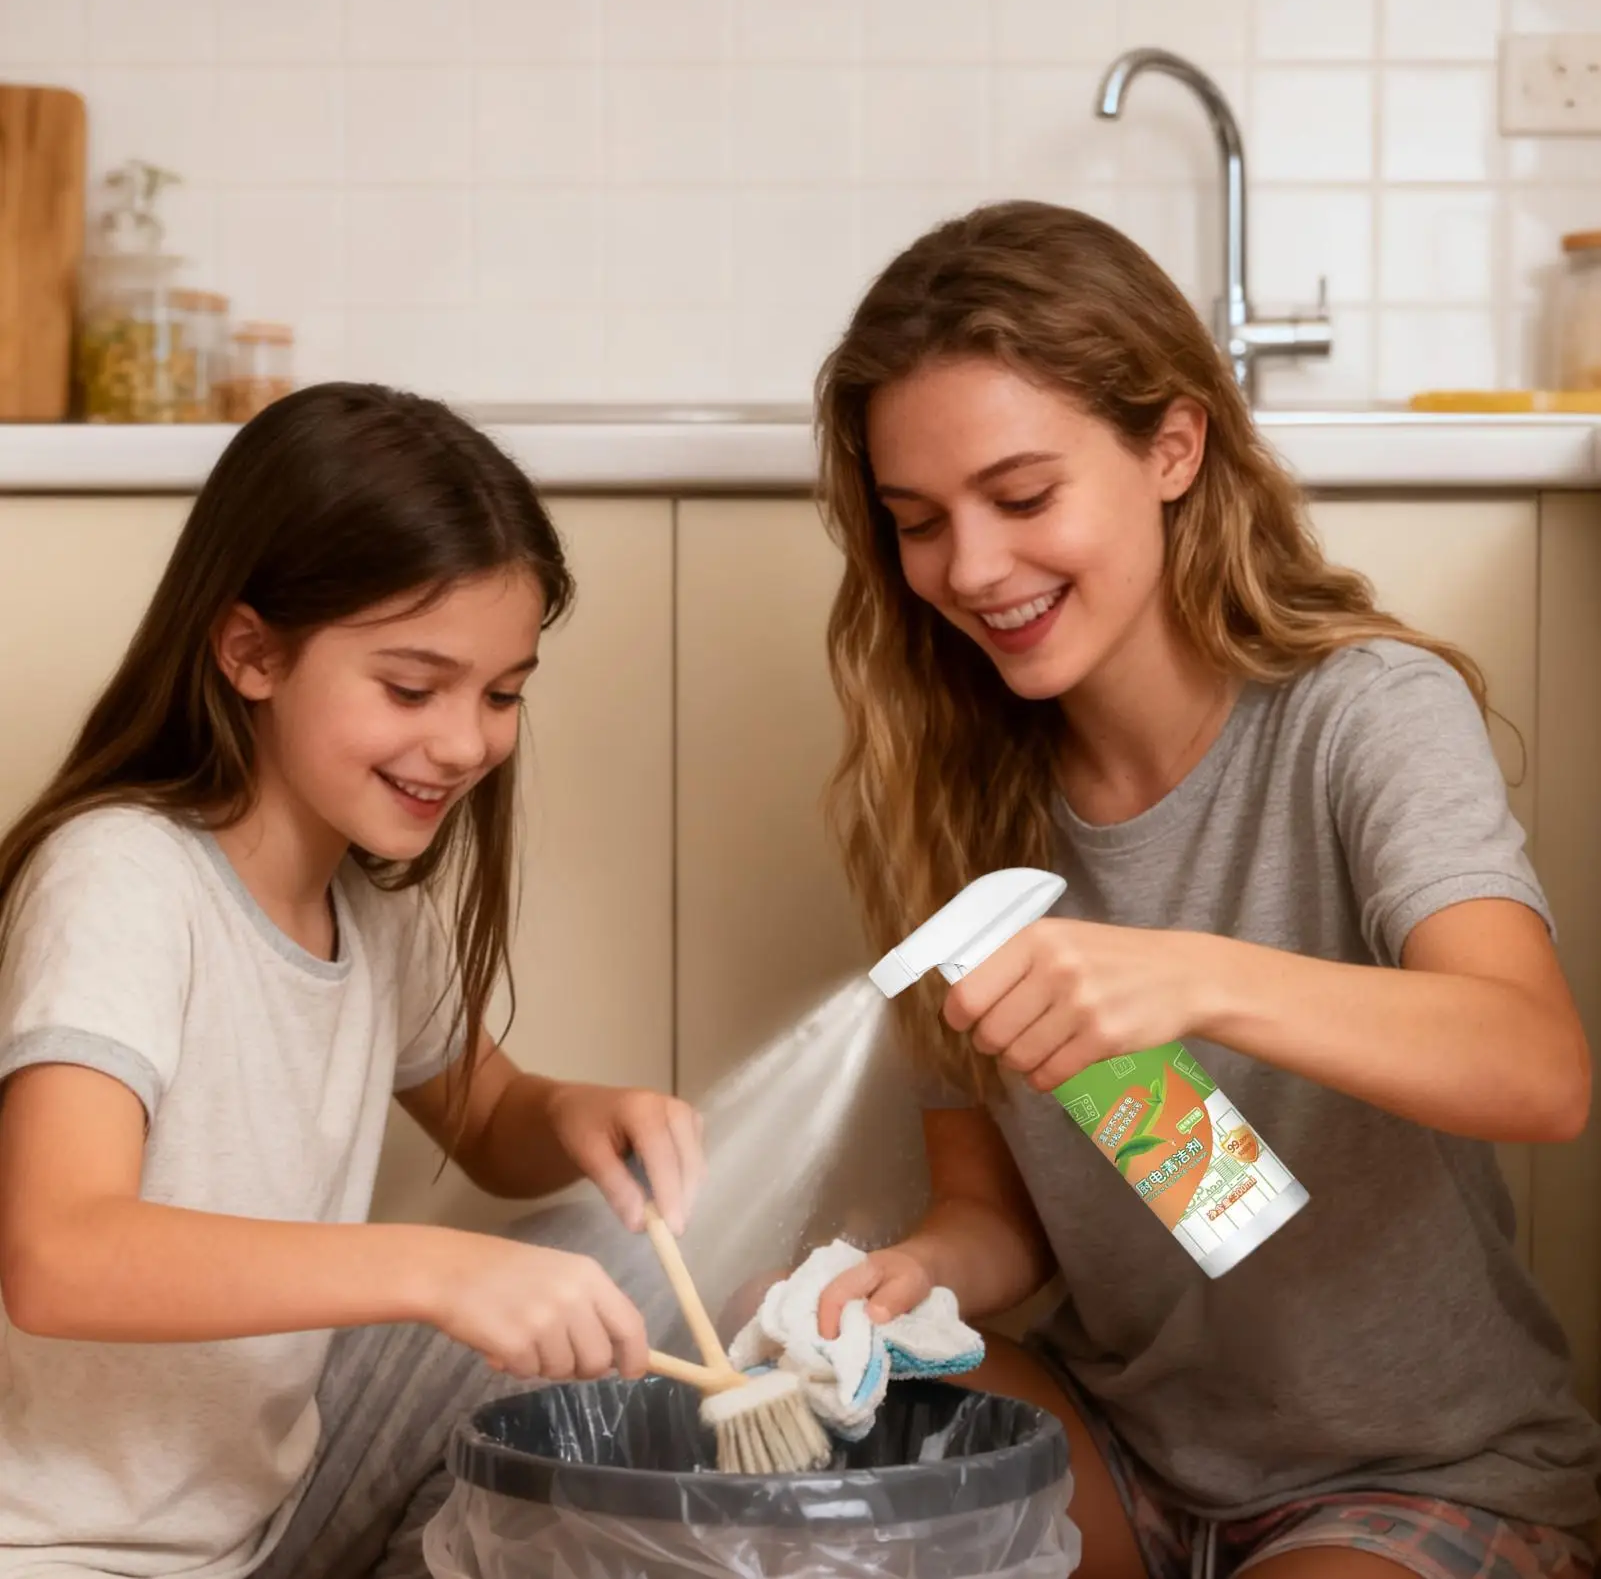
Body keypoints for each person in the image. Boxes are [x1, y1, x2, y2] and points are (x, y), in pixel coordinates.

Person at [811, 201, 1601, 1579]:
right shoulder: (949, 808)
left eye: (1022, 495)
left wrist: (1195, 977)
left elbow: (1537, 1068)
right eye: (917, 521)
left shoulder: (1364, 716)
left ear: (1172, 446)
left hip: (1413, 1473)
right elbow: (999, 1216)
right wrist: (907, 1283)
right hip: (1127, 1449)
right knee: (804, 1464)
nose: (972, 568)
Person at [0, 383, 703, 1578]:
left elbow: (487, 1115)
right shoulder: (120, 876)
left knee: (618, 1267)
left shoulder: (372, 906)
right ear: (251, 650)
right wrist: (433, 1266)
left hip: (267, 1517)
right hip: (66, 1546)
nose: (466, 742)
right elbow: (57, 1253)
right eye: (412, 687)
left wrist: (578, 1115)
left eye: (502, 692)